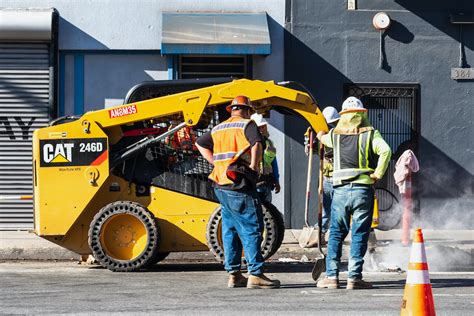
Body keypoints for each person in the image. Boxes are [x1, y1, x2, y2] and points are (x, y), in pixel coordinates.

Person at [196, 95, 280, 289]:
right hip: (239, 184)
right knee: (252, 228)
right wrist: (253, 166)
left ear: (231, 110)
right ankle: (256, 274)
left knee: (230, 229)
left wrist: (216, 163)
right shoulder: (247, 125)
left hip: (221, 184)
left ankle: (234, 274)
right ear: (247, 110)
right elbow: (257, 144)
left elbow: (200, 144)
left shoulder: (218, 128)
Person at [315, 97, 391, 290]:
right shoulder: (370, 134)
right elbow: (386, 151)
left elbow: (323, 138)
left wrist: (318, 134)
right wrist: (377, 174)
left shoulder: (335, 134)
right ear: (362, 114)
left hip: (340, 191)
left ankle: (332, 277)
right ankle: (354, 278)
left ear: (343, 115)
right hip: (362, 190)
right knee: (359, 234)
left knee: (336, 234)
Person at [250, 113, 281, 203]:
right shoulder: (247, 143)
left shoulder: (269, 143)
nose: (261, 129)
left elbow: (274, 163)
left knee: (267, 213)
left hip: (266, 184)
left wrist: (277, 180)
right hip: (254, 185)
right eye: (259, 127)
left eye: (263, 127)